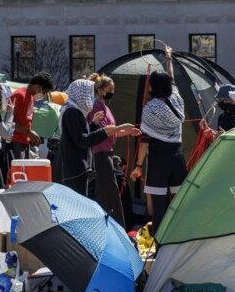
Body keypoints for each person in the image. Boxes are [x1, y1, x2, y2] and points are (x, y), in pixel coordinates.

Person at [130, 46, 187, 225]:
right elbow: (172, 80)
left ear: (152, 86)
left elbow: (145, 142)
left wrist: (138, 165)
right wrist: (169, 59)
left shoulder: (150, 109)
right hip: (177, 157)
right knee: (178, 204)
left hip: (158, 160)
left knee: (158, 206)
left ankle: (160, 245)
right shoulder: (177, 98)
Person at [59, 79, 137, 198]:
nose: (92, 97)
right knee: (78, 203)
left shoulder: (76, 111)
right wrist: (104, 132)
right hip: (75, 168)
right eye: (90, 93)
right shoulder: (72, 112)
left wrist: (93, 124)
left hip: (79, 167)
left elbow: (79, 135)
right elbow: (82, 140)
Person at [88, 74, 137, 224]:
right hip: (100, 153)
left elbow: (111, 131)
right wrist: (122, 128)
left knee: (105, 191)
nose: (112, 92)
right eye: (110, 89)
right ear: (101, 90)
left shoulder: (104, 107)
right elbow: (104, 131)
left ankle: (105, 221)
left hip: (107, 152)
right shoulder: (96, 106)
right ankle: (114, 223)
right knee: (109, 192)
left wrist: (126, 132)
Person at [9, 73, 55, 159]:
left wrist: (32, 136)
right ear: (38, 87)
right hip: (15, 142)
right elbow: (9, 123)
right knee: (18, 171)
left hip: (25, 142)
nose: (44, 95)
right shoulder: (19, 95)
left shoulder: (31, 97)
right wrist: (28, 133)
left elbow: (25, 121)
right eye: (44, 92)